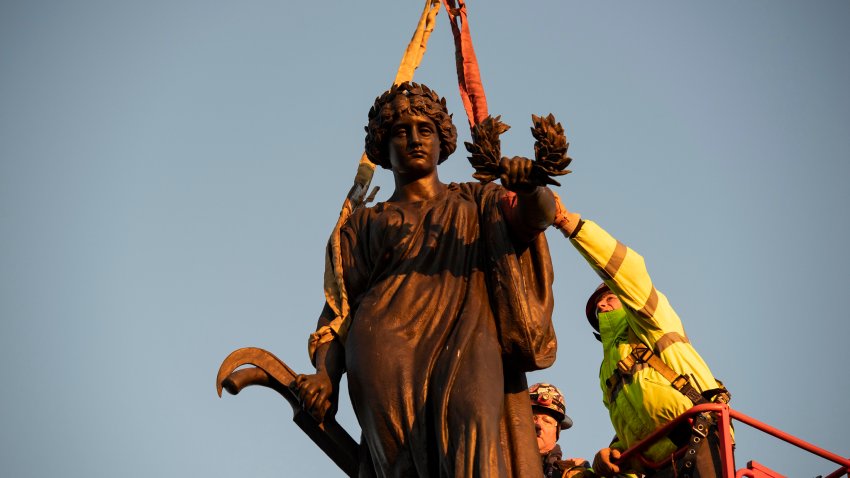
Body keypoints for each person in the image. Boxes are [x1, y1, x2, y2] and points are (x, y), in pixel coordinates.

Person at [295, 82, 559, 477]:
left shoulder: (477, 200)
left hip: (468, 336)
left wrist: (531, 188)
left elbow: (535, 218)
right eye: (401, 131)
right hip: (383, 352)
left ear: (442, 139)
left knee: (474, 430)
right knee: (400, 466)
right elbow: (338, 310)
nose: (415, 139)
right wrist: (325, 375)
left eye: (425, 129)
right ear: (383, 144)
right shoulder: (363, 224)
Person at [551, 196, 731, 478]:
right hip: (655, 467)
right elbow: (638, 422)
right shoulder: (607, 372)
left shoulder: (652, 323)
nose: (601, 306)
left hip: (698, 438)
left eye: (610, 298)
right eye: (597, 307)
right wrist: (614, 453)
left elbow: (629, 273)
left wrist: (569, 224)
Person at [530, 383, 596, 478]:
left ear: (557, 432)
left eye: (547, 421)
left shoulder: (570, 472)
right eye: (533, 418)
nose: (538, 425)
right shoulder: (502, 459)